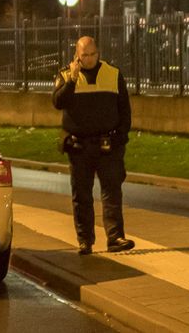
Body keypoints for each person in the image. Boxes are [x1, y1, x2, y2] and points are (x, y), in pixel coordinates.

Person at [52, 36, 134, 256]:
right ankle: (85, 241)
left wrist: (121, 138)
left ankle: (115, 237)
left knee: (112, 192)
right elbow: (58, 102)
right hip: (79, 146)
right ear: (76, 56)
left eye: (91, 54)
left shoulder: (113, 74)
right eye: (83, 56)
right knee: (82, 195)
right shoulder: (65, 75)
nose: (88, 59)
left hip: (108, 145)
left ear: (98, 53)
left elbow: (125, 110)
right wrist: (72, 80)